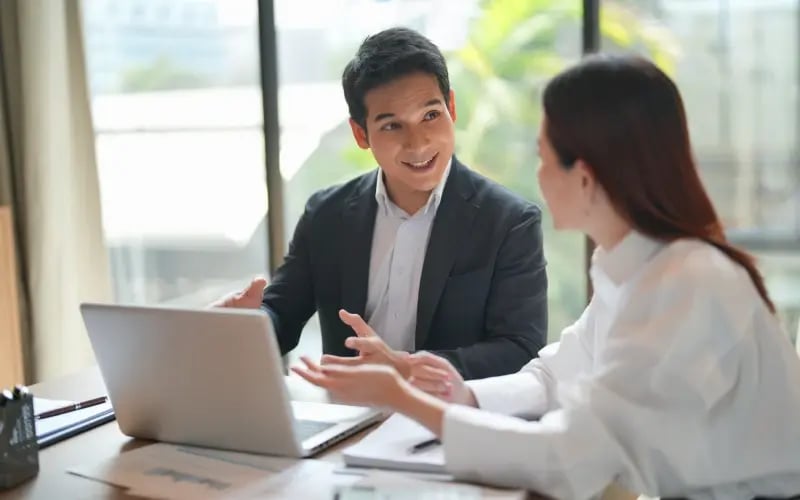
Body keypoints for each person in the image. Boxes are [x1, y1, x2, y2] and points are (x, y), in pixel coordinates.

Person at [292, 54, 800, 499]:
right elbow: (554, 375)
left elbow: (572, 459)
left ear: (583, 176)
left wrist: (404, 399)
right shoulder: (632, 269)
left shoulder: (689, 284)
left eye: (541, 156)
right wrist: (459, 392)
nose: (535, 177)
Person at [215, 27, 548, 380]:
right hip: (351, 424)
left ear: (451, 107)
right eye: (392, 126)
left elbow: (520, 349)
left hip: (451, 423)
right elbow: (281, 314)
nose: (418, 143)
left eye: (430, 116)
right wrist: (242, 325)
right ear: (361, 134)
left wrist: (406, 369)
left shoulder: (509, 221)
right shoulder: (326, 215)